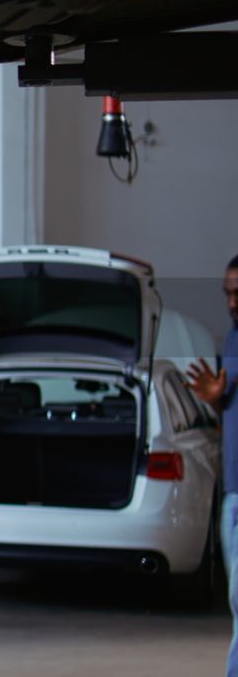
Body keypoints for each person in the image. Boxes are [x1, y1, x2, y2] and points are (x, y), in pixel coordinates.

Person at [186, 254, 238, 677]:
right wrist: (216, 398)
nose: (232, 301)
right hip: (233, 491)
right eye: (228, 293)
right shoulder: (232, 342)